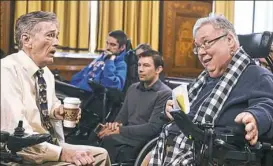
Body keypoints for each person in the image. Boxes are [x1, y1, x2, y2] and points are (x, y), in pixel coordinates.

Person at [148, 14, 273, 165]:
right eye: (198, 47)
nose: (200, 52)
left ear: (230, 41)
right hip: (178, 148)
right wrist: (170, 109)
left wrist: (255, 118)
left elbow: (267, 105)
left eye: (206, 43)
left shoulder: (257, 75)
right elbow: (185, 113)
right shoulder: (201, 81)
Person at [1, 11, 110, 166]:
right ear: (27, 40)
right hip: (19, 152)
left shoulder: (45, 73)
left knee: (101, 154)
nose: (57, 42)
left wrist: (57, 112)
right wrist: (62, 153)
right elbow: (17, 134)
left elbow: (50, 107)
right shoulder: (6, 70)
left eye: (56, 36)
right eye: (50, 35)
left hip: (48, 143)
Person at [98, 50, 172, 163]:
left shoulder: (165, 93)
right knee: (98, 134)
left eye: (146, 65)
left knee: (108, 141)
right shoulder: (133, 88)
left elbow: (152, 129)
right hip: (126, 135)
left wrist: (119, 130)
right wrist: (113, 126)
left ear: (158, 69)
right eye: (139, 65)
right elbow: (121, 118)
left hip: (144, 141)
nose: (141, 69)